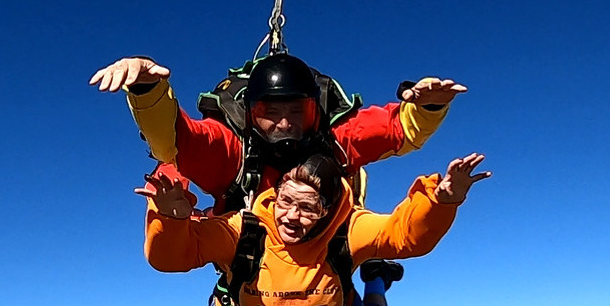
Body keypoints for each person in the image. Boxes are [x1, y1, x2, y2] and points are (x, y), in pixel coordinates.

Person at [136, 152, 491, 306]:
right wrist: (171, 219)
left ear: (328, 212)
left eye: (307, 208)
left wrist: (442, 202)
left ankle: (376, 280)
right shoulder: (245, 231)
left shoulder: (346, 229)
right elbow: (171, 258)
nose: (290, 216)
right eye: (285, 201)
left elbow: (403, 236)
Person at [91, 53, 467, 213]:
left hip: (323, 273)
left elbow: (396, 129)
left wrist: (426, 105)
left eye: (296, 111)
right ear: (251, 116)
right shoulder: (233, 156)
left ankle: (375, 280)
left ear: (314, 111)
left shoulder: (333, 143)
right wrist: (148, 91)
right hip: (251, 283)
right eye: (269, 113)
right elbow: (177, 141)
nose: (285, 123)